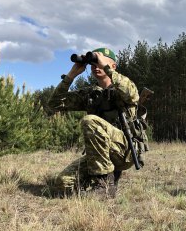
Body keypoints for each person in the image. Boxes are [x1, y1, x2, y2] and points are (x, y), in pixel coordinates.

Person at [48, 47, 144, 198]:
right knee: (63, 183)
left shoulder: (125, 86)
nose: (96, 66)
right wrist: (71, 75)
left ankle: (105, 185)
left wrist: (104, 64)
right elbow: (54, 104)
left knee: (90, 121)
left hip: (125, 151)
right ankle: (101, 178)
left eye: (99, 63)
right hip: (99, 154)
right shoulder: (91, 94)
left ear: (113, 66)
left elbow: (132, 95)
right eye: (93, 64)